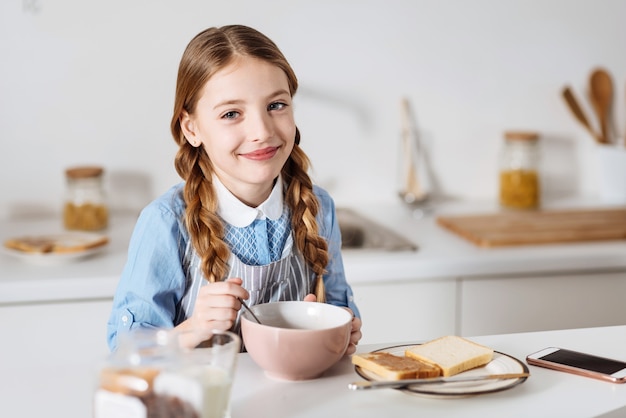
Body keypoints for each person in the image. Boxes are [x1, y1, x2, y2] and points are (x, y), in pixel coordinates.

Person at [107, 24, 362, 353]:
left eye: (276, 105)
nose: (261, 131)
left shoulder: (319, 207)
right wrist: (194, 327)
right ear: (192, 128)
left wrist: (342, 327)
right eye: (231, 113)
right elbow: (126, 351)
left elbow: (341, 308)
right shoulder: (167, 222)